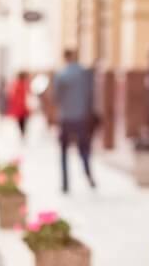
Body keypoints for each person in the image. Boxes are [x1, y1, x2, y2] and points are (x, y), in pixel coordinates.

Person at [53, 49, 96, 192]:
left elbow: (56, 98)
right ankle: (88, 175)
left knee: (64, 152)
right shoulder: (85, 74)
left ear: (65, 58)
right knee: (84, 149)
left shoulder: (61, 75)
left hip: (66, 117)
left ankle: (65, 184)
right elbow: (91, 95)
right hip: (81, 117)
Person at [7, 71, 30, 140]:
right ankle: (23, 134)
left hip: (20, 106)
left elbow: (12, 95)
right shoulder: (22, 84)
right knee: (22, 122)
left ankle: (22, 134)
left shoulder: (17, 84)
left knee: (21, 121)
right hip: (22, 106)